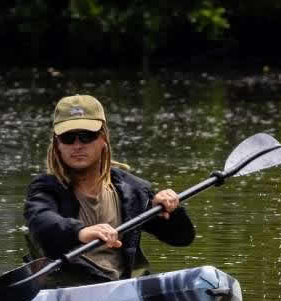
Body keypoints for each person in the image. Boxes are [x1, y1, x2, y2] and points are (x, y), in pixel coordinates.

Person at [23, 95, 195, 286]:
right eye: (68, 138)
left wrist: (171, 210)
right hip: (68, 286)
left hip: (122, 288)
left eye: (87, 136)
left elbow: (182, 238)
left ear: (103, 138)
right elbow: (41, 220)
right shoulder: (46, 188)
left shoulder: (134, 190)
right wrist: (80, 232)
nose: (78, 145)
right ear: (57, 145)